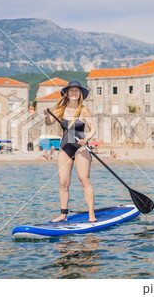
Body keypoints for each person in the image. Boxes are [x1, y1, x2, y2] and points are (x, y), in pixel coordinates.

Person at [44, 81, 97, 223]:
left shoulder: (84, 110)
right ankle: (63, 214)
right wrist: (45, 114)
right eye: (71, 90)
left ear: (80, 94)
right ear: (67, 93)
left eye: (76, 91)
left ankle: (91, 214)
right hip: (65, 148)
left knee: (84, 180)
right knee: (63, 182)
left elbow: (93, 130)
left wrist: (86, 139)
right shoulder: (61, 109)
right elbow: (49, 122)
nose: (74, 93)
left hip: (81, 148)